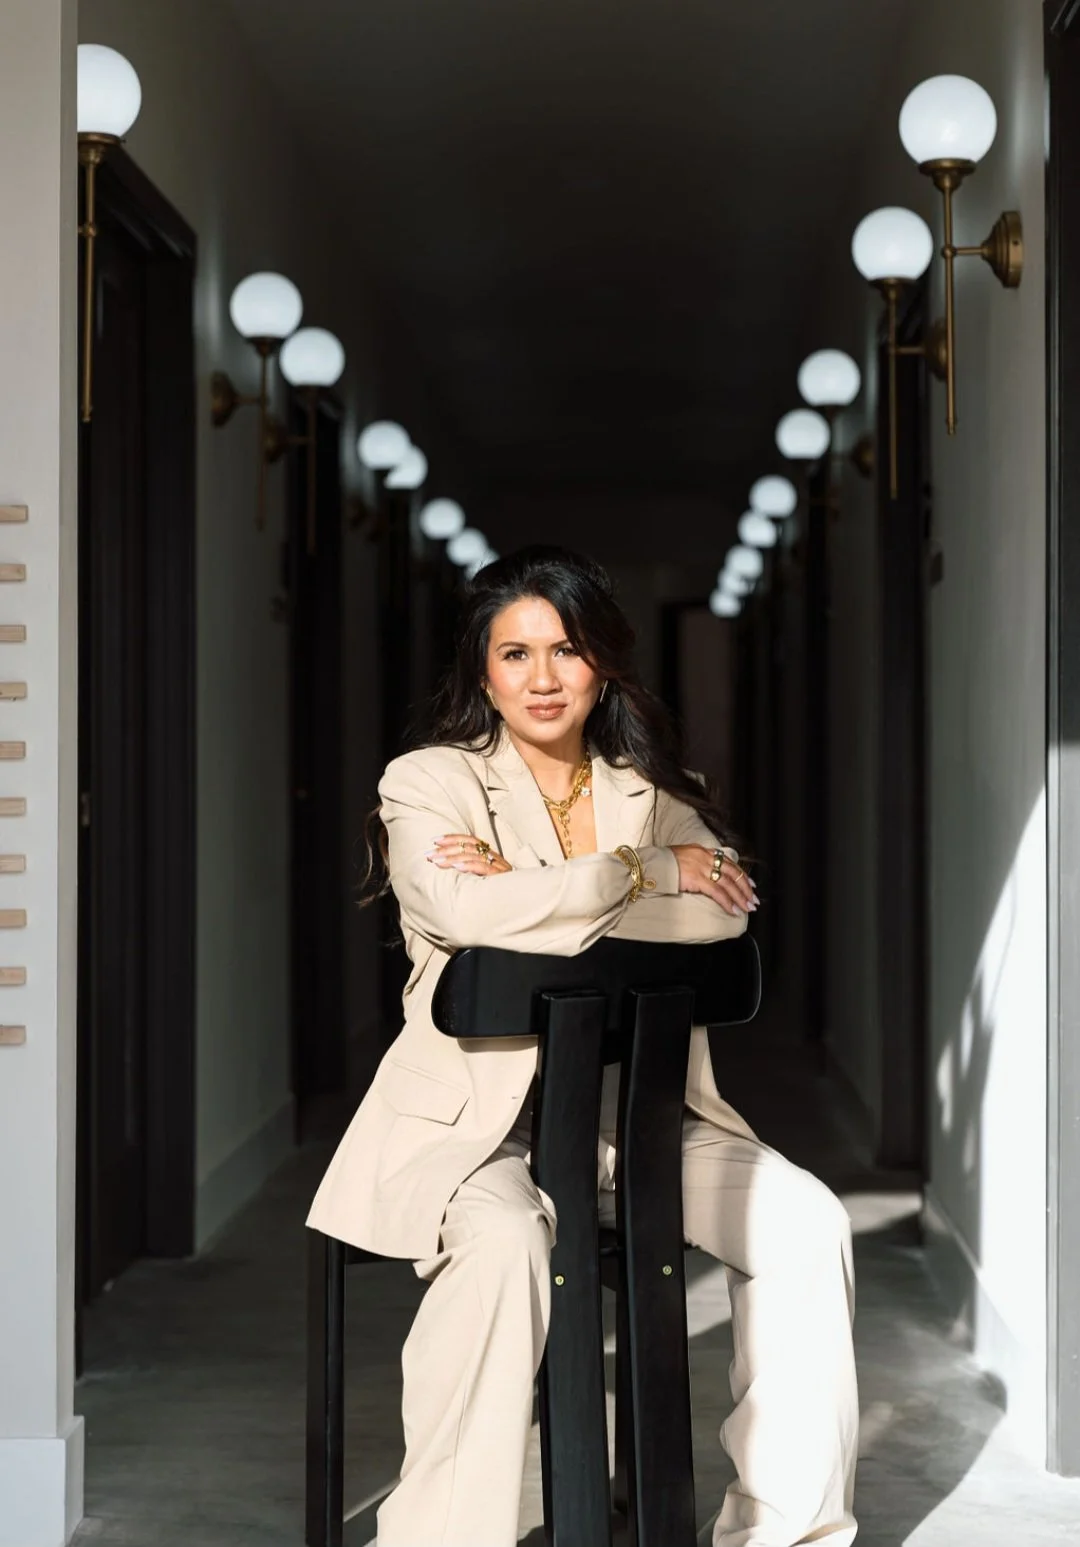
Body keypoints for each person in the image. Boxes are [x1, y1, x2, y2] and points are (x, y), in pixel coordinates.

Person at [307, 546, 858, 1547]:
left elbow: (721, 926)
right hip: (478, 1131)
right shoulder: (428, 780)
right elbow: (457, 905)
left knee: (805, 1219)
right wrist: (645, 873)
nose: (545, 677)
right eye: (516, 653)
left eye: (566, 649)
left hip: (637, 1121)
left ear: (603, 663)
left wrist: (535, 888)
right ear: (483, 669)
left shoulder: (658, 788)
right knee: (507, 1245)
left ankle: (785, 1532)